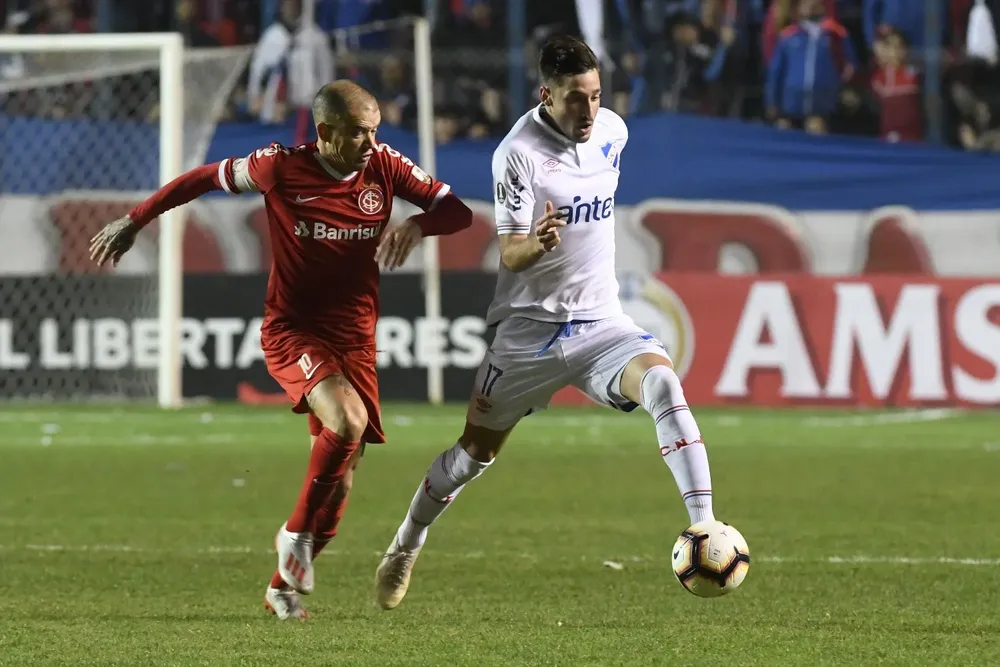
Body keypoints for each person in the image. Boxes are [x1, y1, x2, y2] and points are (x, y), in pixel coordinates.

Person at [88, 80, 473, 620]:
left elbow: (457, 212)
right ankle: (292, 535)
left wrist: (418, 223)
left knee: (340, 483)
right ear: (326, 132)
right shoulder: (280, 167)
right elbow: (202, 178)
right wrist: (135, 220)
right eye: (358, 132)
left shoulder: (386, 165)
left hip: (356, 338)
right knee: (348, 420)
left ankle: (280, 590)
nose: (371, 142)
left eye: (375, 130)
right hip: (294, 330)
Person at [373, 35, 717, 611]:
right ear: (546, 95)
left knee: (662, 381)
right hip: (528, 336)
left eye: (596, 95)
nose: (589, 110)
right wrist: (538, 241)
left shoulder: (612, 132)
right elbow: (510, 254)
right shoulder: (518, 153)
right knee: (473, 456)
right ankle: (406, 543)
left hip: (601, 323)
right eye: (576, 98)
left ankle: (705, 527)